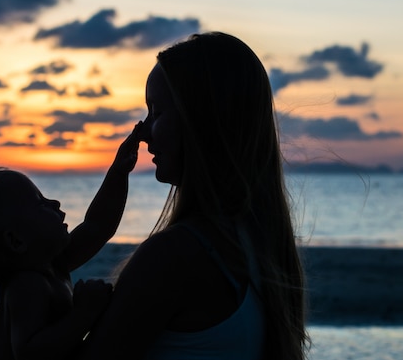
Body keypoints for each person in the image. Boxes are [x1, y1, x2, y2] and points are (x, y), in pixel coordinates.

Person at [79, 32, 309, 360]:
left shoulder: (175, 256)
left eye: (157, 112)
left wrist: (21, 286)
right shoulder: (258, 251)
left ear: (200, 121)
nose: (142, 132)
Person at [0, 124, 142, 360]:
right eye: (40, 202)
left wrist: (118, 172)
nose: (55, 203)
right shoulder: (26, 285)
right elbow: (31, 353)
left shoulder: (52, 264)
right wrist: (84, 314)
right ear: (16, 240)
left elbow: (98, 226)